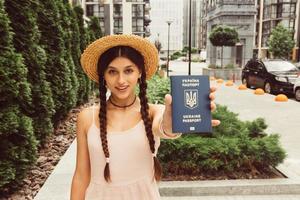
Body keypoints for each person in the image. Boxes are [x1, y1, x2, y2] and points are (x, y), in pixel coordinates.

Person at [70, 34, 220, 200]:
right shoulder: (86, 118)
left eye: (128, 70)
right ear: (103, 76)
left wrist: (175, 121)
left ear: (139, 72)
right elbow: (81, 176)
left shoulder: (153, 112)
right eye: (112, 71)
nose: (121, 80)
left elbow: (165, 127)